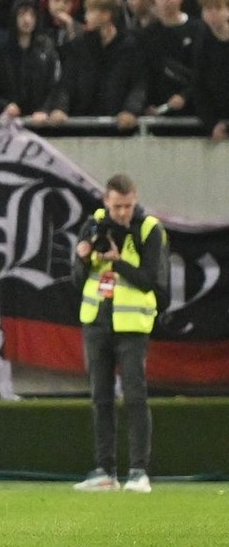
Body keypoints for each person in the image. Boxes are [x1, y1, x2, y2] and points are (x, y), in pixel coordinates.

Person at [71, 174, 167, 494]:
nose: (123, 213)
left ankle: (139, 472)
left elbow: (150, 280)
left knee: (135, 398)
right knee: (101, 398)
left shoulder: (149, 229)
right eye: (117, 206)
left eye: (128, 206)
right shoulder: (94, 224)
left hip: (132, 326)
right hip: (97, 320)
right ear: (105, 201)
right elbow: (77, 280)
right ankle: (105, 471)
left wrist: (118, 261)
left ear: (135, 200)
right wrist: (83, 256)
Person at [193, 0, 229, 140]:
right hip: (217, 118)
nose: (213, 13)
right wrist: (212, 123)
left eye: (218, 8)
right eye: (208, 9)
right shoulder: (201, 44)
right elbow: (199, 86)